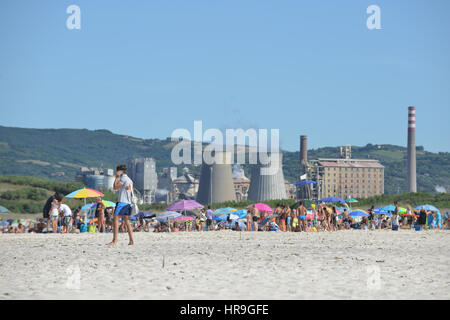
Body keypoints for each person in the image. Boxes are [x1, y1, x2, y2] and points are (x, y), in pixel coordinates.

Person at [107, 164, 135, 246]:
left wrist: (116, 177)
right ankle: (131, 241)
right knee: (127, 221)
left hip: (122, 202)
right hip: (128, 202)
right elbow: (130, 192)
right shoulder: (130, 180)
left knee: (115, 219)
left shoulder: (123, 179)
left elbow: (115, 187)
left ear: (120, 171)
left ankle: (114, 241)